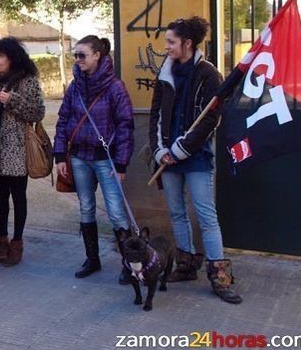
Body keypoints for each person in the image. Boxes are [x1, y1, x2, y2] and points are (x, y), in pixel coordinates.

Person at [150, 16, 242, 304]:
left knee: (206, 217)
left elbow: (210, 120)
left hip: (196, 157)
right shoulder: (164, 73)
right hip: (167, 157)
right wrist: (159, 150)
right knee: (176, 213)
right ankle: (187, 265)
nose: (166, 47)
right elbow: (156, 115)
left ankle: (219, 278)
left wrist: (180, 150)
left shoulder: (208, 74)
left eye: (171, 42)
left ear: (187, 44)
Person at [53, 36, 135, 284]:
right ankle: (92, 258)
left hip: (105, 159)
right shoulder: (75, 87)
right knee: (86, 206)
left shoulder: (115, 88)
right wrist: (59, 155)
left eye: (82, 55)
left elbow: (125, 126)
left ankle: (129, 264)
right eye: (75, 55)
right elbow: (63, 120)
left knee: (116, 212)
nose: (77, 60)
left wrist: (121, 163)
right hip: (79, 156)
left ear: (97, 55)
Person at [0, 37, 45, 266]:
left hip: (18, 149)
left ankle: (17, 242)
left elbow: (37, 112)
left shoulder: (27, 81)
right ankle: (2, 242)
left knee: (18, 197)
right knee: (0, 198)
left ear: (11, 57)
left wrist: (12, 100)